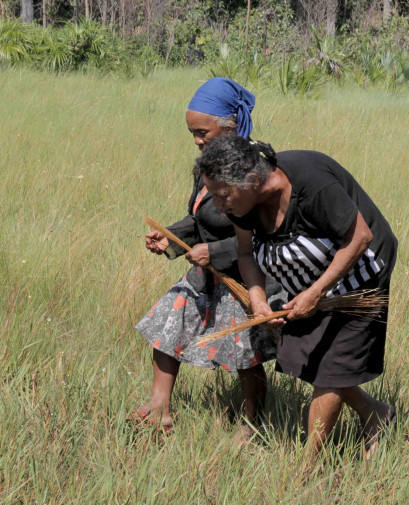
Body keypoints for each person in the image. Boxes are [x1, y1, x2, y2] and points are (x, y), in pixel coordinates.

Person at [194, 134, 397, 461]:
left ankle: (308, 468)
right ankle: (375, 413)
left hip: (362, 268)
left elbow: (360, 237)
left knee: (332, 367)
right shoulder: (241, 204)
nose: (218, 206)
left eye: (223, 196)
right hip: (312, 275)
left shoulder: (310, 183)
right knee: (306, 356)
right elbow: (246, 253)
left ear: (251, 180)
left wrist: (316, 293)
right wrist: (257, 297)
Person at [133, 77, 280, 441]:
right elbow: (201, 218)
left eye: (204, 132)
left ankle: (252, 423)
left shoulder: (252, 167)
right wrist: (170, 237)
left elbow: (262, 235)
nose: (198, 140)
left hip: (245, 276)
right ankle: (159, 410)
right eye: (193, 134)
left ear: (229, 125)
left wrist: (213, 251)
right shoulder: (205, 167)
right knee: (168, 323)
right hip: (208, 273)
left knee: (242, 352)